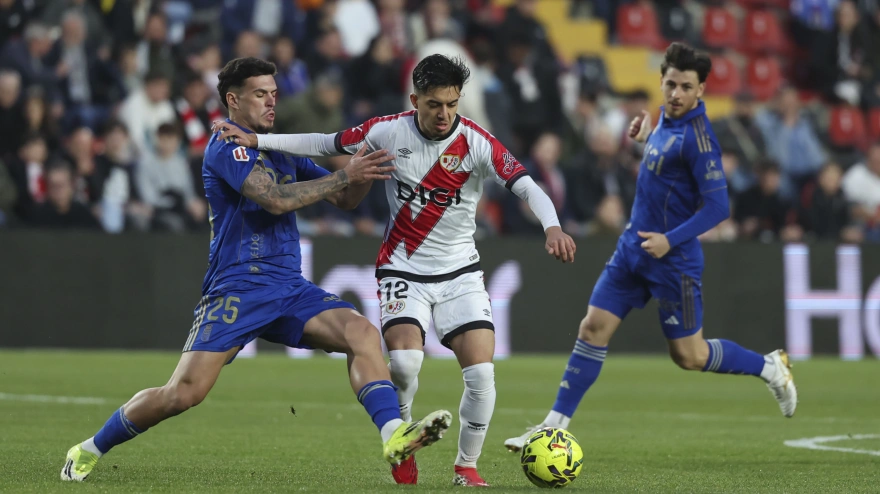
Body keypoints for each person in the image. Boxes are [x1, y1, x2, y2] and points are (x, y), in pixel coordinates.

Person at [60, 57, 452, 482]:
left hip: (288, 288)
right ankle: (88, 448)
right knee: (183, 394)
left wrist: (364, 164)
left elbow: (345, 201)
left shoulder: (276, 146)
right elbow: (275, 200)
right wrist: (345, 177)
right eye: (260, 94)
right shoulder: (227, 145)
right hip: (237, 288)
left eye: (274, 94)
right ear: (233, 99)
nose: (271, 102)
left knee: (362, 333)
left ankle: (394, 436)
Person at [214, 54, 577, 487]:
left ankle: (466, 467)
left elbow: (527, 186)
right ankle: (402, 451)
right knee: (403, 366)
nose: (444, 114)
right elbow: (326, 142)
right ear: (415, 100)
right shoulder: (387, 130)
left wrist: (552, 226)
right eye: (434, 105)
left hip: (461, 272)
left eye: (451, 104)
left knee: (481, 374)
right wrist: (259, 143)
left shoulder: (478, 142)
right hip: (402, 270)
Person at [502, 43, 799, 453]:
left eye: (686, 87)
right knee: (592, 328)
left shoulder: (701, 140)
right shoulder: (665, 123)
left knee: (689, 356)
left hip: (672, 261)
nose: (676, 93)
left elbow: (718, 207)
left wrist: (670, 239)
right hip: (631, 249)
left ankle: (769, 367)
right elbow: (666, 175)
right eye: (671, 84)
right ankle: (551, 428)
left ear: (701, 91)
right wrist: (646, 138)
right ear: (661, 82)